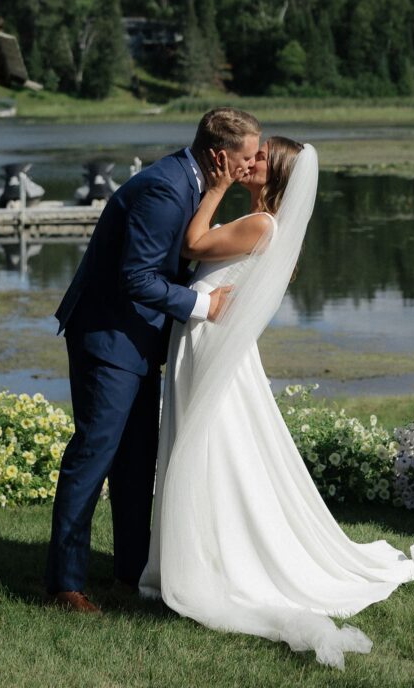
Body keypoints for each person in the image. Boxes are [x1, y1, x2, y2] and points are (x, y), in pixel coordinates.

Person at [139, 137, 414, 670]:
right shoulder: (262, 222)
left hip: (211, 345)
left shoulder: (263, 225)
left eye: (259, 158)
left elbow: (192, 246)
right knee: (208, 445)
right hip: (208, 342)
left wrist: (216, 185)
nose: (248, 161)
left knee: (213, 446)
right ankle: (195, 554)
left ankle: (216, 561)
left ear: (277, 174)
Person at [45, 107, 261, 612]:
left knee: (137, 462)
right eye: (246, 157)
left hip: (140, 340)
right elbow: (137, 278)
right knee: (93, 457)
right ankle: (64, 585)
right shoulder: (165, 189)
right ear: (218, 156)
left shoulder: (192, 183)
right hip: (109, 338)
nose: (251, 165)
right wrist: (207, 306)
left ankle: (131, 573)